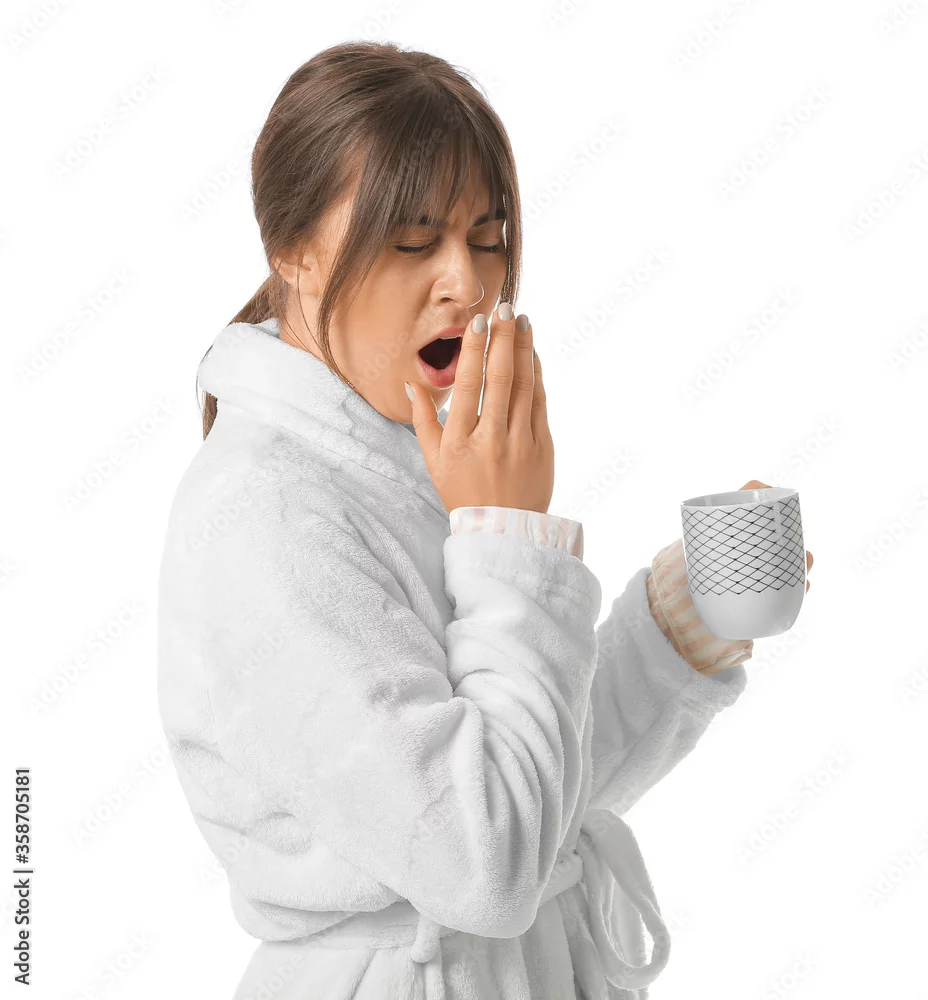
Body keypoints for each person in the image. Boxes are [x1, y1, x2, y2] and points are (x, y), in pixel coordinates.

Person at [157, 41, 766, 1000]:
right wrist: (505, 532)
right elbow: (488, 863)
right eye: (413, 242)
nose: (469, 282)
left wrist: (677, 628)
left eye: (488, 237)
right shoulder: (260, 517)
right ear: (294, 254)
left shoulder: (402, 452)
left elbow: (534, 793)